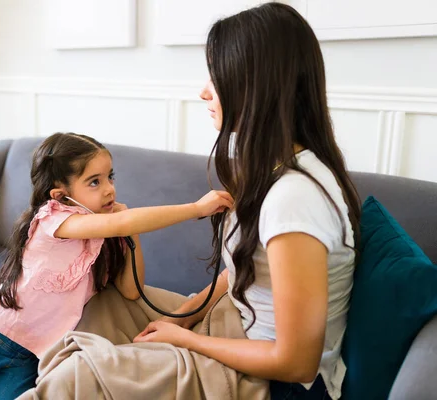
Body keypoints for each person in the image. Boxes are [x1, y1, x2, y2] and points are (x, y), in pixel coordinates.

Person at [133, 3, 361, 399]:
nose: (204, 90)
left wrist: (185, 340)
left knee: (81, 373)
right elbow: (246, 276)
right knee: (103, 310)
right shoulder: (274, 171)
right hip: (237, 325)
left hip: (279, 383)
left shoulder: (294, 197)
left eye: (215, 76)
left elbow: (296, 363)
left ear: (253, 86)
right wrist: (187, 316)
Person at [0, 132, 233, 399]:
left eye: (110, 177)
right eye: (94, 182)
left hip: (31, 354)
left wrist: (130, 232)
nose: (109, 190)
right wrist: (196, 209)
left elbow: (131, 290)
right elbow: (119, 222)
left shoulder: (106, 235)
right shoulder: (53, 219)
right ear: (60, 195)